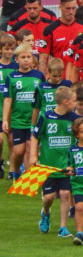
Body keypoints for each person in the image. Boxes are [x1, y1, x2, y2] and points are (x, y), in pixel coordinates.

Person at [30, 86, 78, 238]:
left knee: (64, 194)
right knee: (49, 197)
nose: (75, 104)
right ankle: (45, 213)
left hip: (65, 165)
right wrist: (33, 155)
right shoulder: (46, 116)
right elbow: (35, 136)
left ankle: (63, 228)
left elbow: (81, 137)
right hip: (48, 165)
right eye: (73, 101)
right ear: (65, 102)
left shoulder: (74, 119)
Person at [2, 44, 45, 178]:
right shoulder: (12, 77)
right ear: (17, 59)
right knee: (19, 150)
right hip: (18, 119)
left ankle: (28, 179)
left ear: (32, 59)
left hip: (33, 120)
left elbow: (43, 97)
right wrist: (5, 120)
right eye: (23, 57)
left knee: (29, 148)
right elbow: (8, 100)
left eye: (28, 57)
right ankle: (14, 170)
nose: (26, 60)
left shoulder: (39, 76)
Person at [39, 0, 83, 77]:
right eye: (68, 8)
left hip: (80, 79)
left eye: (73, 8)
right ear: (60, 7)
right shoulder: (50, 30)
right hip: (59, 79)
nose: (71, 12)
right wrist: (42, 81)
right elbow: (43, 59)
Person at [31, 58, 72, 124]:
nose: (57, 79)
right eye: (54, 76)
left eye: (60, 76)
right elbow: (36, 108)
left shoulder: (67, 85)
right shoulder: (41, 87)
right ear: (48, 71)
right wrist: (33, 126)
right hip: (46, 121)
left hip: (63, 121)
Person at [0, 33, 18, 178]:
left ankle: (12, 169)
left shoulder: (16, 67)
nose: (9, 52)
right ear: (1, 50)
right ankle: (0, 161)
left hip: (13, 111)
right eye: (6, 49)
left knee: (11, 141)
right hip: (0, 109)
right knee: (0, 139)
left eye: (11, 49)